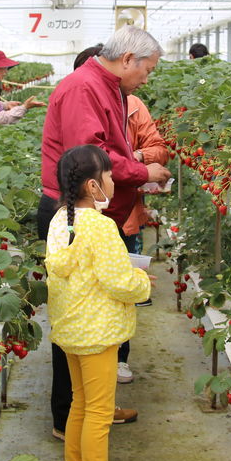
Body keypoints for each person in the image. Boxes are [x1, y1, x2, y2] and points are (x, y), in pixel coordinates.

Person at [39, 26, 170, 439]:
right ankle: (69, 419)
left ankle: (93, 405)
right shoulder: (84, 88)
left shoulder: (108, 87)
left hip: (92, 213)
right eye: (147, 69)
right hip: (75, 213)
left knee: (89, 316)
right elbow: (89, 160)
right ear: (128, 58)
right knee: (77, 318)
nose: (147, 78)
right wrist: (142, 172)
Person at [46, 144, 151, 461]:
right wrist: (142, 281)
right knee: (100, 414)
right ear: (93, 185)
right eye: (108, 176)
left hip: (71, 330)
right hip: (98, 332)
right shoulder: (101, 227)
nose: (112, 180)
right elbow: (119, 282)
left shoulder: (62, 221)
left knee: (79, 404)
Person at [71, 44, 169, 382]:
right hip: (97, 215)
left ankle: (117, 358)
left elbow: (158, 148)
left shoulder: (133, 105)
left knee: (121, 292)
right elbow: (90, 160)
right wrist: (134, 168)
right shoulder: (83, 98)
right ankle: (93, 367)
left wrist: (135, 160)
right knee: (97, 293)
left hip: (123, 214)